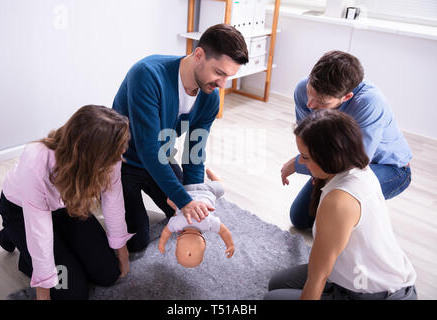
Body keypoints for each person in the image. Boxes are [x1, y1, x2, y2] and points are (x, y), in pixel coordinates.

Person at [112, 23, 249, 252]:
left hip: (159, 158)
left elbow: (195, 151)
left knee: (188, 220)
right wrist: (184, 200)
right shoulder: (147, 74)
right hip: (123, 162)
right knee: (137, 242)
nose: (222, 85)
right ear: (199, 55)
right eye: (219, 73)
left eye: (229, 77)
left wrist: (194, 194)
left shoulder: (210, 97)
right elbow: (148, 148)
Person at [266, 109, 417, 300]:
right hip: (362, 274)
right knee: (277, 283)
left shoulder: (339, 200)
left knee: (272, 298)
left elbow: (318, 277)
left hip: (372, 292)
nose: (302, 164)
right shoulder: (358, 168)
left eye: (305, 157)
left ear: (329, 157)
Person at [0, 105, 134, 300]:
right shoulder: (36, 161)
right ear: (92, 155)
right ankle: (13, 236)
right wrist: (43, 292)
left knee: (108, 273)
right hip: (22, 211)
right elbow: (39, 232)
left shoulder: (111, 156)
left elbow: (113, 202)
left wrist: (123, 253)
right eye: (117, 152)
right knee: (72, 293)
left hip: (66, 207)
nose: (121, 156)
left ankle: (44, 244)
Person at [280, 50, 412, 230]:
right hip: (335, 160)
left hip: (386, 167)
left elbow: (357, 162)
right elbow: (309, 139)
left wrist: (297, 164)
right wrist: (315, 169)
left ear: (346, 97)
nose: (310, 104)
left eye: (321, 102)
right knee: (300, 219)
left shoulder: (370, 103)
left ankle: (365, 207)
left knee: (337, 212)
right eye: (310, 93)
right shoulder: (303, 89)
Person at [158, 168, 235, 268]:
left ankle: (213, 176)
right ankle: (175, 203)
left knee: (221, 188)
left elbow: (224, 232)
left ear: (204, 242)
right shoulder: (176, 224)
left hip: (207, 191)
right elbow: (166, 232)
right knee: (172, 201)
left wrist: (230, 245)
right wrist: (161, 244)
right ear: (177, 240)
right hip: (184, 191)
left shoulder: (208, 223)